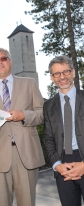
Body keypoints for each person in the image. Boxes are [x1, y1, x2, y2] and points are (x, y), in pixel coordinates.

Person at [0, 48, 45, 206]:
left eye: (3, 58)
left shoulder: (29, 83)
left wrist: (24, 115)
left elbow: (42, 114)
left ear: (10, 61)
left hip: (26, 153)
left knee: (27, 202)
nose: (0, 62)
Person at [43, 55, 84, 206]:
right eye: (57, 74)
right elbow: (47, 138)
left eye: (65, 72)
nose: (62, 77)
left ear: (73, 72)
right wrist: (56, 164)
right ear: (52, 78)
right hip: (62, 164)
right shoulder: (48, 106)